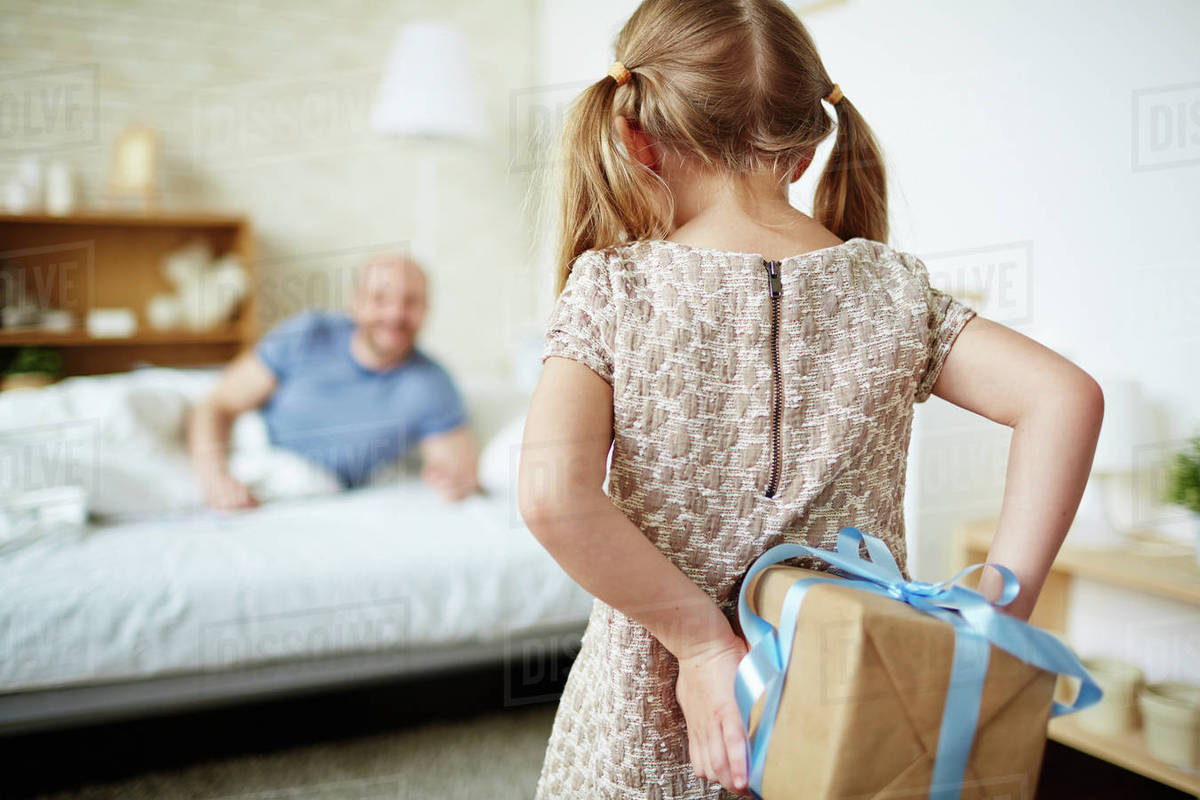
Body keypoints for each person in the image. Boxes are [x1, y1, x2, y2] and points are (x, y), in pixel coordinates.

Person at [516, 2, 1104, 799]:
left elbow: (554, 495)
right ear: (807, 148)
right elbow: (1064, 397)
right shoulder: (894, 291)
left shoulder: (614, 289)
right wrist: (1004, 600)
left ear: (638, 135)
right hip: (846, 704)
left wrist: (700, 646)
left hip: (648, 721)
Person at [189, 252, 479, 509]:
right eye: (380, 298)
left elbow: (459, 469)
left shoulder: (431, 384)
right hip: (247, 455)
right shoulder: (308, 334)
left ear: (426, 309)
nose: (395, 314)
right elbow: (217, 404)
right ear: (356, 301)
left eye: (411, 302)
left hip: (315, 491)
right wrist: (215, 479)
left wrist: (453, 481)